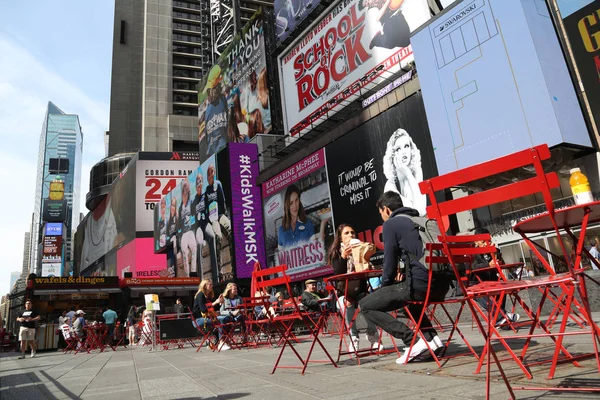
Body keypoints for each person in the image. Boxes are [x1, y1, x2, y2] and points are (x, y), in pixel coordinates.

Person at [359, 191, 445, 364]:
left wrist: (384, 289)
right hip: (441, 286)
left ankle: (412, 341)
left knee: (366, 305)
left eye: (381, 214)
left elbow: (389, 262)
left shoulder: (392, 224)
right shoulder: (421, 220)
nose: (382, 218)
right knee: (407, 300)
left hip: (420, 287)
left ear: (387, 210)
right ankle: (433, 341)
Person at [328, 224, 381, 352]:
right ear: (340, 238)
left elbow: (367, 271)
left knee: (368, 302)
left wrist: (366, 257)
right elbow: (337, 275)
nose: (351, 235)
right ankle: (354, 336)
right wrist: (344, 257)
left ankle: (373, 335)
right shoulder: (336, 254)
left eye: (352, 233)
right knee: (346, 303)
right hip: (344, 291)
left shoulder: (360, 250)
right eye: (346, 233)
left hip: (361, 289)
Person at [470, 228, 520, 327]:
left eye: (488, 241)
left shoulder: (494, 250)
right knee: (481, 294)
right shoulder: (473, 253)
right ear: (476, 242)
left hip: (491, 281)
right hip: (476, 283)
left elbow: (500, 265)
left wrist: (494, 254)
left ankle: (501, 320)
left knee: (502, 287)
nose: (486, 244)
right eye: (483, 242)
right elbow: (473, 267)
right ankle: (502, 316)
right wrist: (488, 265)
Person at [383, 129, 426, 216]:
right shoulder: (390, 186)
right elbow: (418, 213)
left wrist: (408, 175)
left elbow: (422, 210)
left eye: (406, 146)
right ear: (392, 155)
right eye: (398, 149)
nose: (404, 151)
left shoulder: (416, 171)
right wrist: (408, 175)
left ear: (411, 149)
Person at [277, 184, 329, 249]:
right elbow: (281, 256)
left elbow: (317, 249)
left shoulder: (307, 224)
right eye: (291, 203)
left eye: (296, 200)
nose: (295, 206)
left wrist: (323, 224)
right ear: (287, 206)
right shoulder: (281, 231)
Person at [204, 164, 232, 279]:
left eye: (213, 172)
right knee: (218, 236)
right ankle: (219, 270)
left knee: (230, 228)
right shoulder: (206, 191)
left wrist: (225, 215)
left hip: (220, 214)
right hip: (212, 218)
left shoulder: (218, 184)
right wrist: (208, 221)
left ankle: (234, 265)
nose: (212, 174)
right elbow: (205, 207)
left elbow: (222, 200)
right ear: (208, 175)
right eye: (210, 172)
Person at [191, 279, 229, 350]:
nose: (212, 286)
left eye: (212, 284)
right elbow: (203, 309)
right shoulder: (200, 295)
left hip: (208, 317)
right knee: (221, 320)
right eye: (210, 284)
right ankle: (221, 343)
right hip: (198, 320)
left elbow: (214, 307)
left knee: (227, 319)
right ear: (205, 286)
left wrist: (220, 302)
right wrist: (215, 302)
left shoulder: (209, 296)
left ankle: (220, 341)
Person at [192, 171, 216, 278]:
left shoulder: (205, 195)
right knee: (200, 244)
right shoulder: (194, 200)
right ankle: (201, 278)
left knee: (213, 236)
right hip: (198, 227)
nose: (199, 183)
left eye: (201, 181)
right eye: (198, 181)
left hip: (206, 223)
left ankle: (215, 274)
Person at [202, 65, 228, 157]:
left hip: (213, 154)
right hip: (222, 151)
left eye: (210, 90)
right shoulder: (223, 100)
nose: (209, 94)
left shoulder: (208, 110)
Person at [178, 179, 197, 277]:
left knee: (194, 249)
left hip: (190, 231)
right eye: (184, 186)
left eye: (187, 186)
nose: (186, 188)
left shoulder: (191, 201)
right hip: (183, 234)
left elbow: (195, 213)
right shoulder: (180, 206)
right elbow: (179, 223)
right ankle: (187, 275)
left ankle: (193, 272)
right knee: (184, 253)